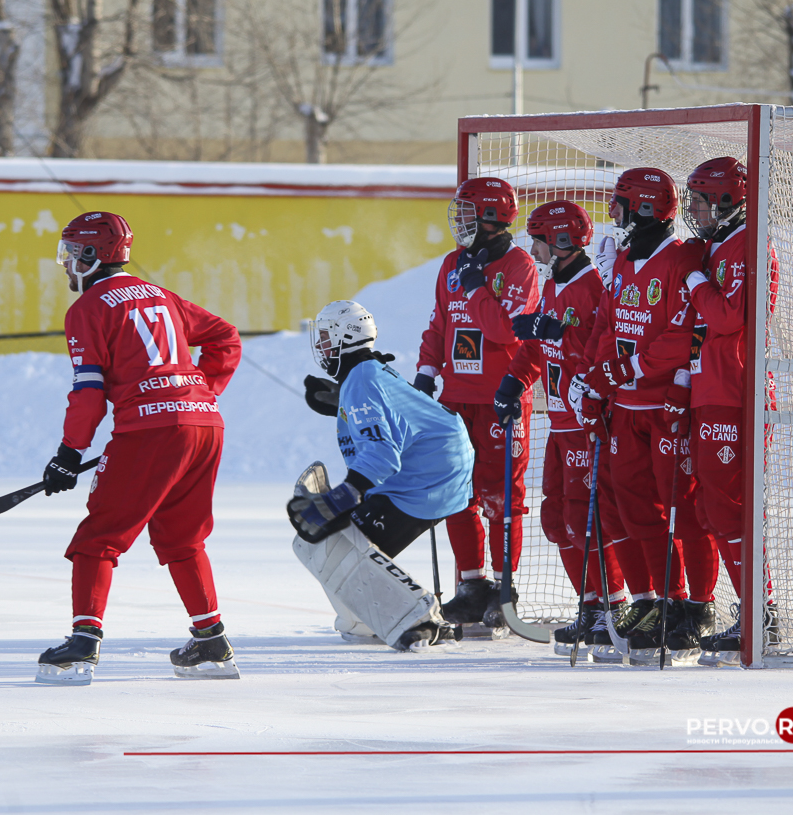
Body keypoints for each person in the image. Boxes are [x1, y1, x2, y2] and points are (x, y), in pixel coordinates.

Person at [34, 211, 242, 685]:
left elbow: (88, 393)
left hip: (153, 431)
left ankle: (83, 644)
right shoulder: (160, 295)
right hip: (204, 425)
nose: (66, 265)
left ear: (91, 254)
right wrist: (195, 392)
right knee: (182, 538)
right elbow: (225, 337)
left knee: (98, 538)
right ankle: (211, 641)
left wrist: (68, 454)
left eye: (70, 254)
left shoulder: (87, 309)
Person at [573, 167, 717, 665]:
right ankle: (654, 599)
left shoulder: (680, 258)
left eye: (621, 205)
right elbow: (608, 325)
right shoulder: (623, 262)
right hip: (625, 407)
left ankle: (696, 607)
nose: (614, 216)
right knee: (634, 510)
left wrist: (630, 367)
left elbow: (687, 334)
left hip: (666, 407)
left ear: (649, 209)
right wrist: (595, 378)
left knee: (684, 509)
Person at [292, 300, 475, 651]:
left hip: (427, 476)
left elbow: (382, 453)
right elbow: (397, 417)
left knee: (337, 543)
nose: (321, 346)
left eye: (327, 337)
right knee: (335, 543)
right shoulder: (365, 372)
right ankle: (369, 619)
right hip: (433, 466)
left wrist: (342, 498)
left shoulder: (361, 377)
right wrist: (341, 406)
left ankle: (420, 618)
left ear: (347, 337)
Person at [496, 200, 628, 657]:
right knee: (557, 520)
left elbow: (596, 355)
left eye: (539, 238)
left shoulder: (593, 287)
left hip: (587, 424)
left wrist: (556, 334)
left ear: (563, 240)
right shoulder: (553, 285)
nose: (533, 247)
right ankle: (589, 603)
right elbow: (538, 348)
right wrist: (513, 382)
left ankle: (614, 607)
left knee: (586, 521)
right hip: (558, 424)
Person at [414, 177, 540, 632]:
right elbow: (439, 325)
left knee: (501, 495)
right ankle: (472, 585)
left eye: (469, 213)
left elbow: (507, 330)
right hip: (456, 399)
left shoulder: (520, 265)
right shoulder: (451, 264)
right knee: (457, 493)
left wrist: (475, 288)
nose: (461, 222)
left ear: (491, 218)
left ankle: (505, 591)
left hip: (500, 399)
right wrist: (426, 372)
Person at [678, 157, 780, 665]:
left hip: (734, 394)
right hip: (707, 390)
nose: (692, 209)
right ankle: (748, 607)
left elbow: (725, 317)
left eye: (699, 199)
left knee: (732, 508)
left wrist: (693, 278)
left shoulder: (747, 245)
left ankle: (759, 612)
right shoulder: (718, 245)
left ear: (725, 200)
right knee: (708, 509)